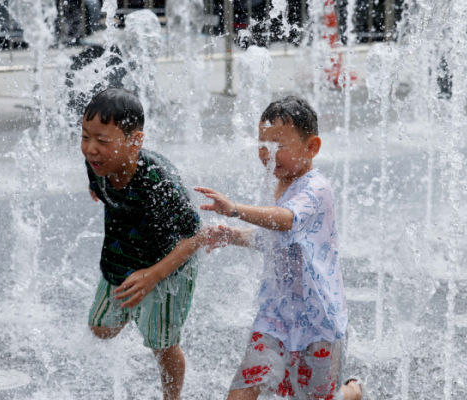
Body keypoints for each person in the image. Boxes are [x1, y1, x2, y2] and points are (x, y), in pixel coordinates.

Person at [196, 96, 362, 400]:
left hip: (318, 320)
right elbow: (272, 238)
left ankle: (353, 391)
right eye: (263, 145)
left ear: (312, 147)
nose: (268, 154)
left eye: (278, 146)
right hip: (276, 315)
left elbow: (286, 220)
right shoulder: (278, 185)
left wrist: (234, 209)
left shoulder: (316, 188)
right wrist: (232, 236)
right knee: (242, 390)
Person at [81, 87, 207, 400]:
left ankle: (172, 396)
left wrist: (153, 276)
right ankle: (139, 309)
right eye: (85, 136)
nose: (91, 149)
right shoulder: (97, 164)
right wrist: (97, 189)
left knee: (161, 344)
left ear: (135, 141)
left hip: (167, 266)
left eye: (102, 141)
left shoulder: (157, 183)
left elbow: (195, 236)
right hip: (122, 252)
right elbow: (96, 177)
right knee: (100, 328)